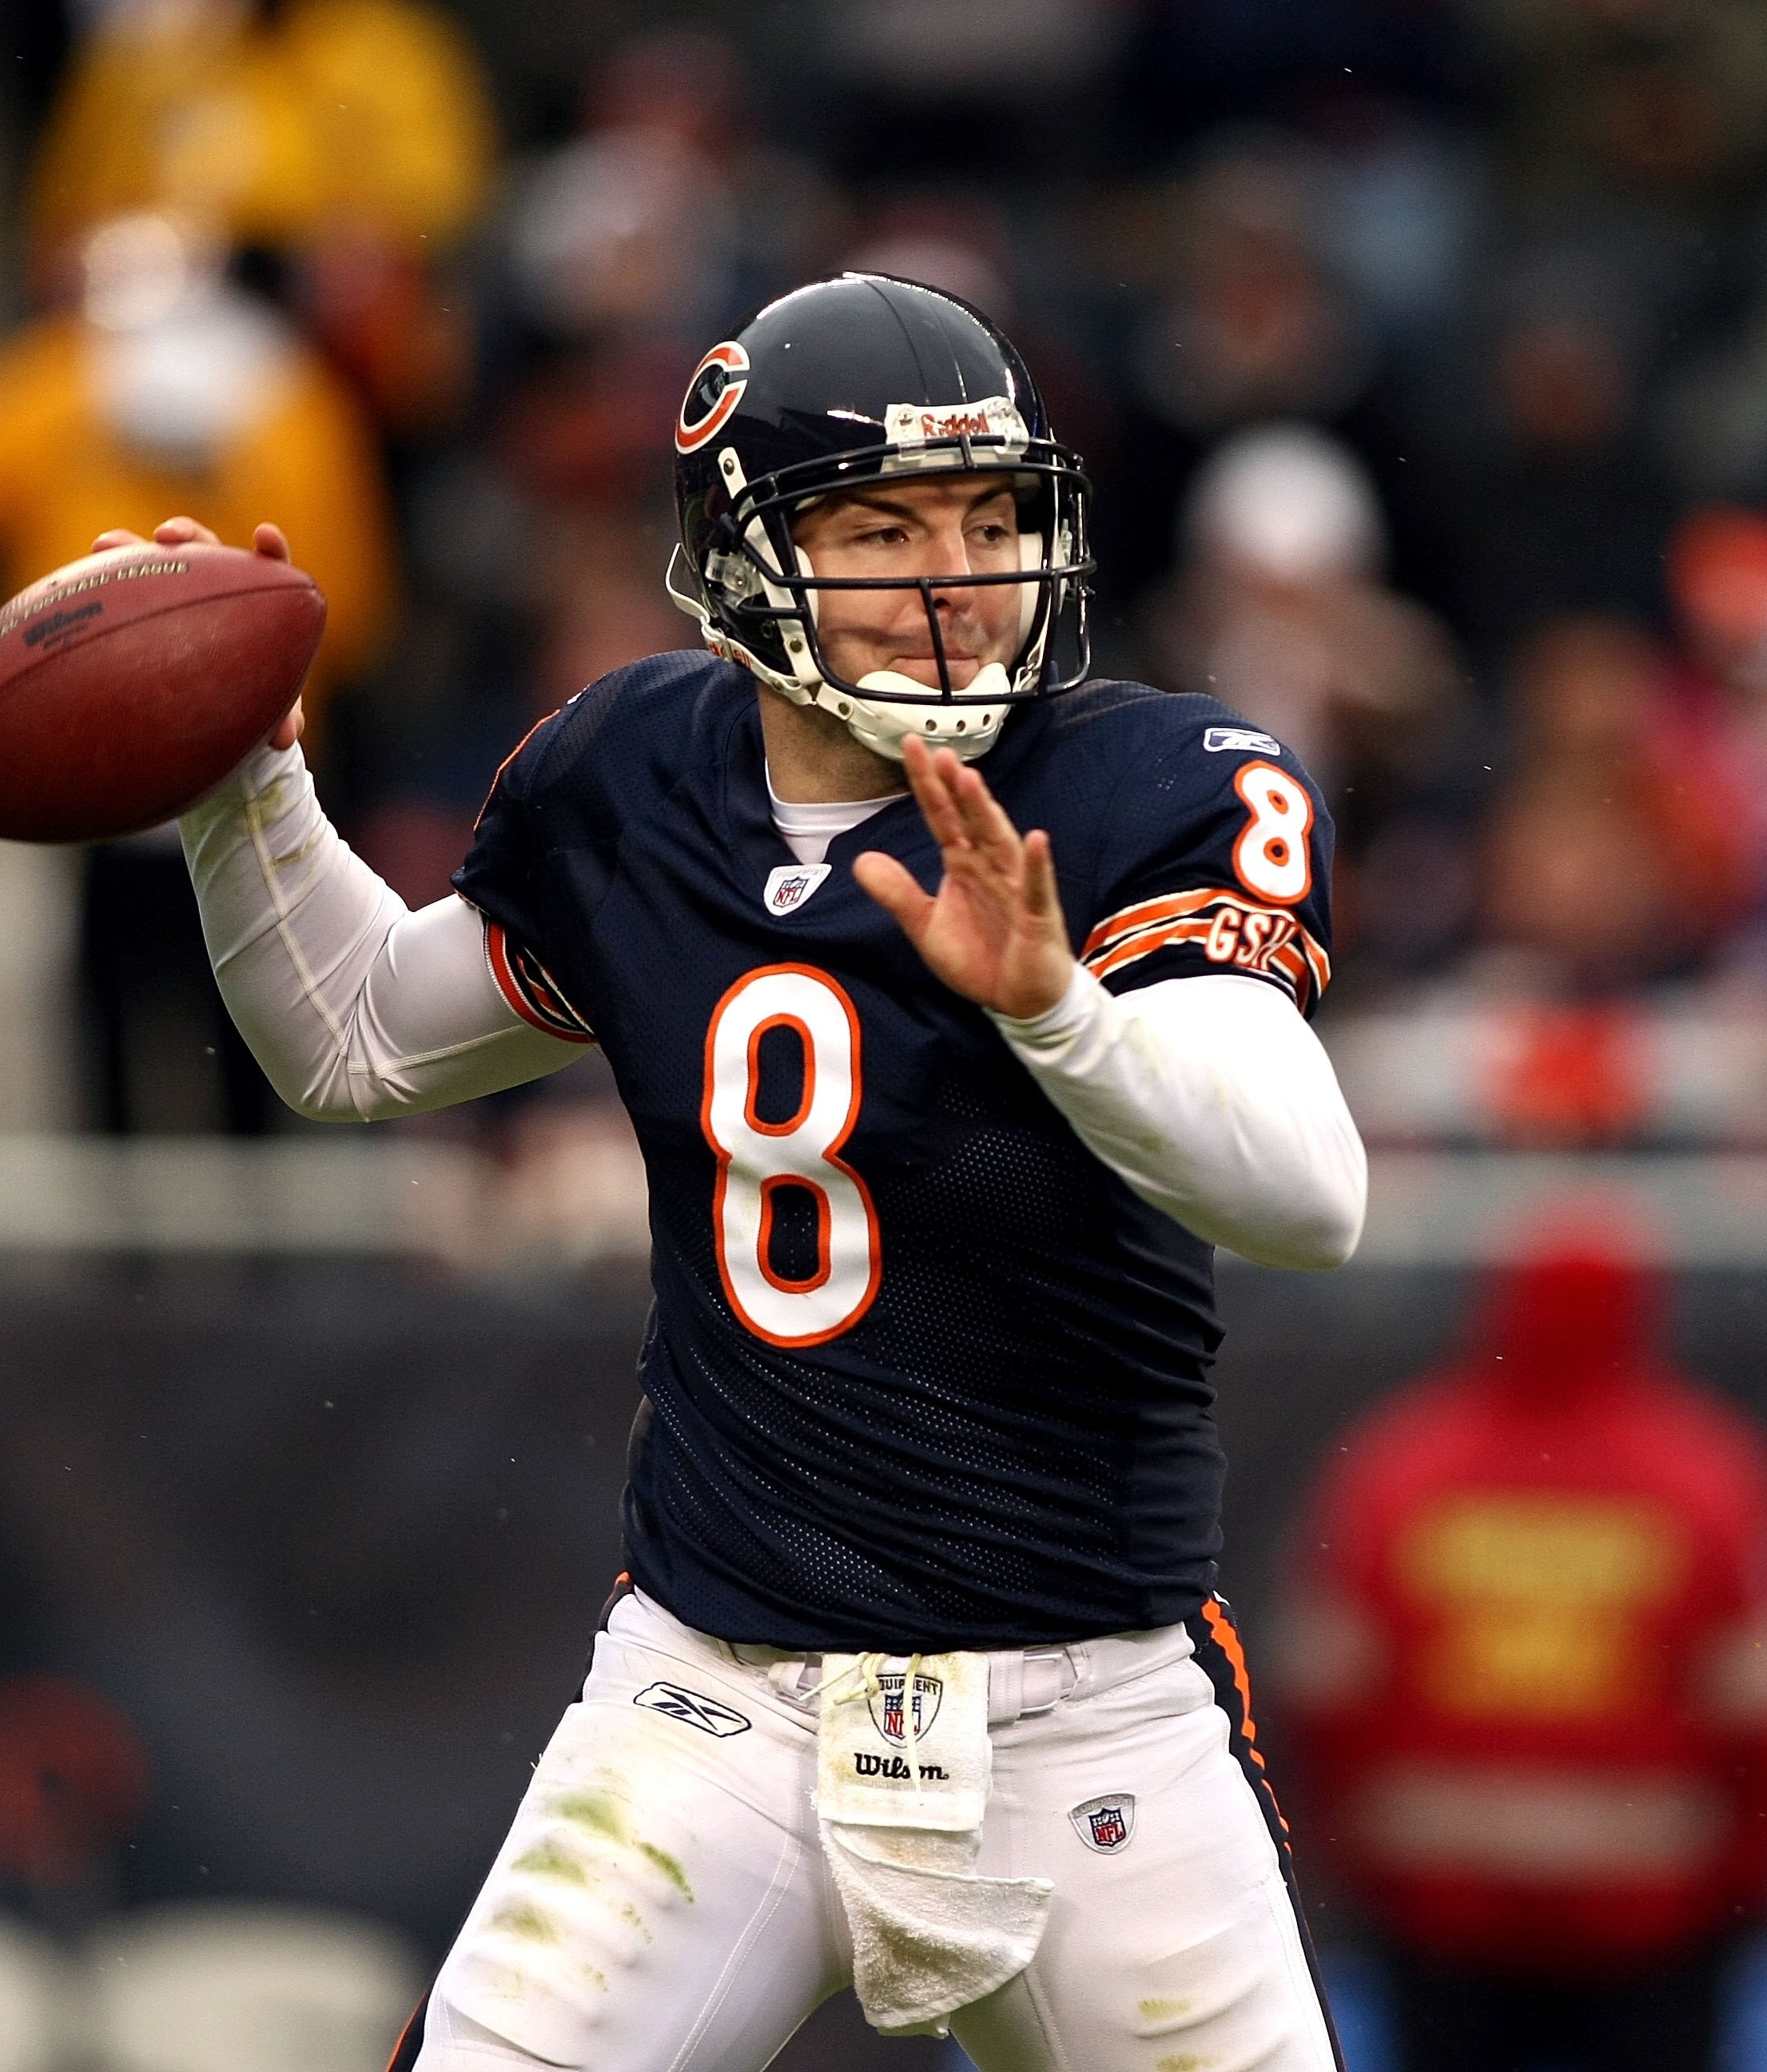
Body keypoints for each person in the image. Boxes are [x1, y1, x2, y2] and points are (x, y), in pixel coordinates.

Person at [127, 274, 1365, 2070]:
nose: (956, 578)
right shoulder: (634, 774)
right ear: (740, 559)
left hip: (1088, 1719)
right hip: (715, 1694)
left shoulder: (1142, 786)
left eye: (989, 515)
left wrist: (1060, 1012)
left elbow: (1308, 1197)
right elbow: (356, 1037)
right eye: (883, 528)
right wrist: (242, 778)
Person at [1279, 1226, 1767, 2072]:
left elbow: (1324, 1695)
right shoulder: (1714, 1475)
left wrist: (1346, 1862)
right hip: (1656, 1916)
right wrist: (1756, 1878)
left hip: (1441, 1909)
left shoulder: (1397, 1466)